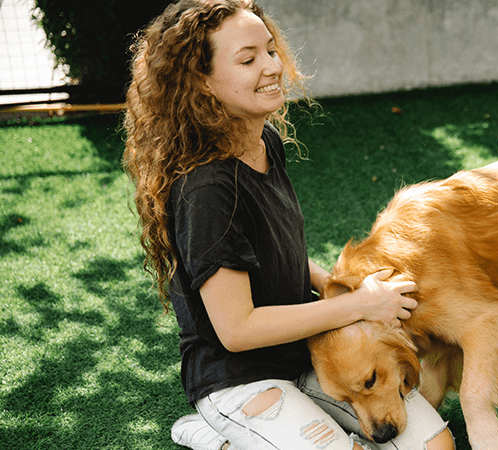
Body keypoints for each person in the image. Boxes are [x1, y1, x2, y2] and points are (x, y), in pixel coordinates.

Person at [122, 1, 455, 449]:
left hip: (303, 353)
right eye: (248, 59)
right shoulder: (207, 190)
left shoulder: (265, 142)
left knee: (436, 446)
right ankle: (218, 435)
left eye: (270, 50)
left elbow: (281, 256)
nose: (271, 66)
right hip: (236, 378)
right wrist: (359, 307)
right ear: (202, 82)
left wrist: (345, 285)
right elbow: (237, 330)